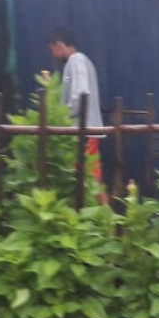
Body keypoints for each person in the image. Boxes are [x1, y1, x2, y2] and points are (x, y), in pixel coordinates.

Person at [47, 28, 107, 204]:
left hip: (82, 132)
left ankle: (108, 222)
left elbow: (81, 94)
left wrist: (64, 116)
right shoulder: (82, 61)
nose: (53, 54)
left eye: (52, 49)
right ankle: (107, 222)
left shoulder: (76, 61)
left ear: (59, 45)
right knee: (90, 177)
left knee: (90, 177)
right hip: (86, 131)